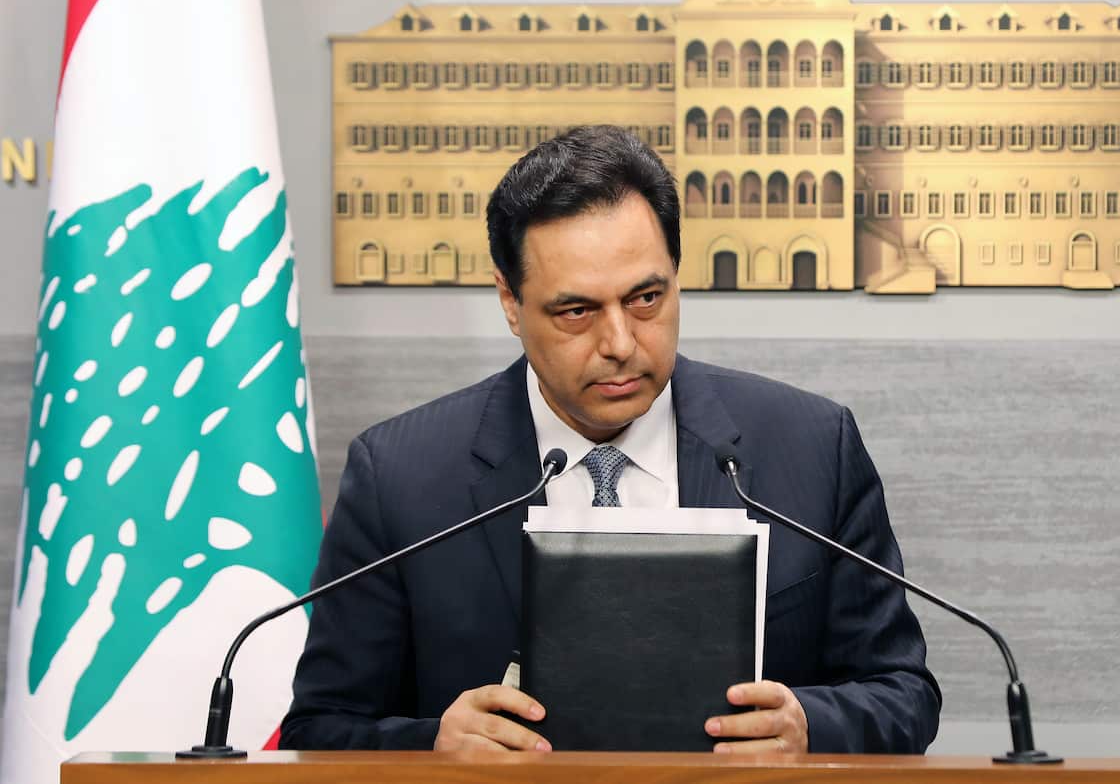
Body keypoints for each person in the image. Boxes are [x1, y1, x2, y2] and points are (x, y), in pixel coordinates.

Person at [280, 125, 940, 753]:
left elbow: (903, 694)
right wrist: (433, 745)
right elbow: (320, 728)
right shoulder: (399, 477)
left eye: (646, 299)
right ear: (510, 302)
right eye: (577, 311)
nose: (620, 343)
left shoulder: (812, 448)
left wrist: (808, 726)